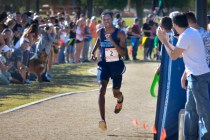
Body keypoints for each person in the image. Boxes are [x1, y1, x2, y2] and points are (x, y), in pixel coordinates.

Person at [157, 13, 210, 140]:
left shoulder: (185, 36)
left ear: (175, 25)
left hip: (198, 77)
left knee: (202, 112)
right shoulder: (191, 32)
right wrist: (185, 75)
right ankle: (189, 137)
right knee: (190, 111)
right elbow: (181, 54)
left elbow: (174, 56)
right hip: (195, 76)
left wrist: (164, 41)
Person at [91, 10, 126, 131]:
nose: (107, 22)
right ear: (102, 21)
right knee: (101, 90)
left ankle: (120, 99)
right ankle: (103, 120)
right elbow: (99, 41)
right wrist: (93, 51)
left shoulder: (120, 33)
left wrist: (112, 41)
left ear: (112, 20)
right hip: (104, 65)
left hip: (116, 66)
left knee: (116, 93)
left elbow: (123, 53)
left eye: (108, 19)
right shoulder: (100, 31)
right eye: (104, 20)